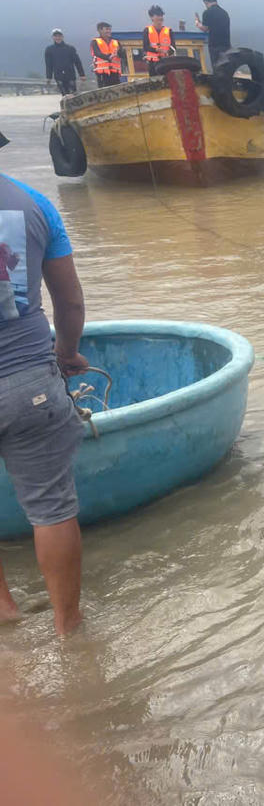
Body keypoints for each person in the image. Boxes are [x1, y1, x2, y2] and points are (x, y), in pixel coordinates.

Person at [0, 134, 89, 637]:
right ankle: (68, 628)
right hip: (28, 382)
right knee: (51, 508)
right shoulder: (34, 204)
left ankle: (4, 612)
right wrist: (67, 353)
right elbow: (69, 302)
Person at [43, 30, 85, 96]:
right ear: (53, 37)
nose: (58, 38)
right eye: (55, 36)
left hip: (70, 75)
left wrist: (82, 74)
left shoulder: (70, 48)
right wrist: (49, 77)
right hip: (58, 76)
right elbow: (48, 64)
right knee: (64, 95)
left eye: (59, 36)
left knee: (73, 94)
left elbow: (77, 62)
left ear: (62, 37)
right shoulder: (49, 49)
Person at [194, 0, 231, 66]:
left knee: (217, 68)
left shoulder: (207, 12)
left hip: (215, 47)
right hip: (227, 46)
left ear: (205, 2)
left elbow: (205, 29)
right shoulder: (224, 13)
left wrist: (197, 23)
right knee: (226, 67)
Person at [90, 22, 122, 88]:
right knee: (104, 91)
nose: (109, 31)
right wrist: (109, 57)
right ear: (100, 30)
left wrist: (118, 53)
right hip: (102, 73)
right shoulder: (95, 41)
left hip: (115, 72)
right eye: (107, 29)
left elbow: (122, 53)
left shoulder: (116, 41)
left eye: (110, 29)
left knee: (117, 89)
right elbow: (97, 53)